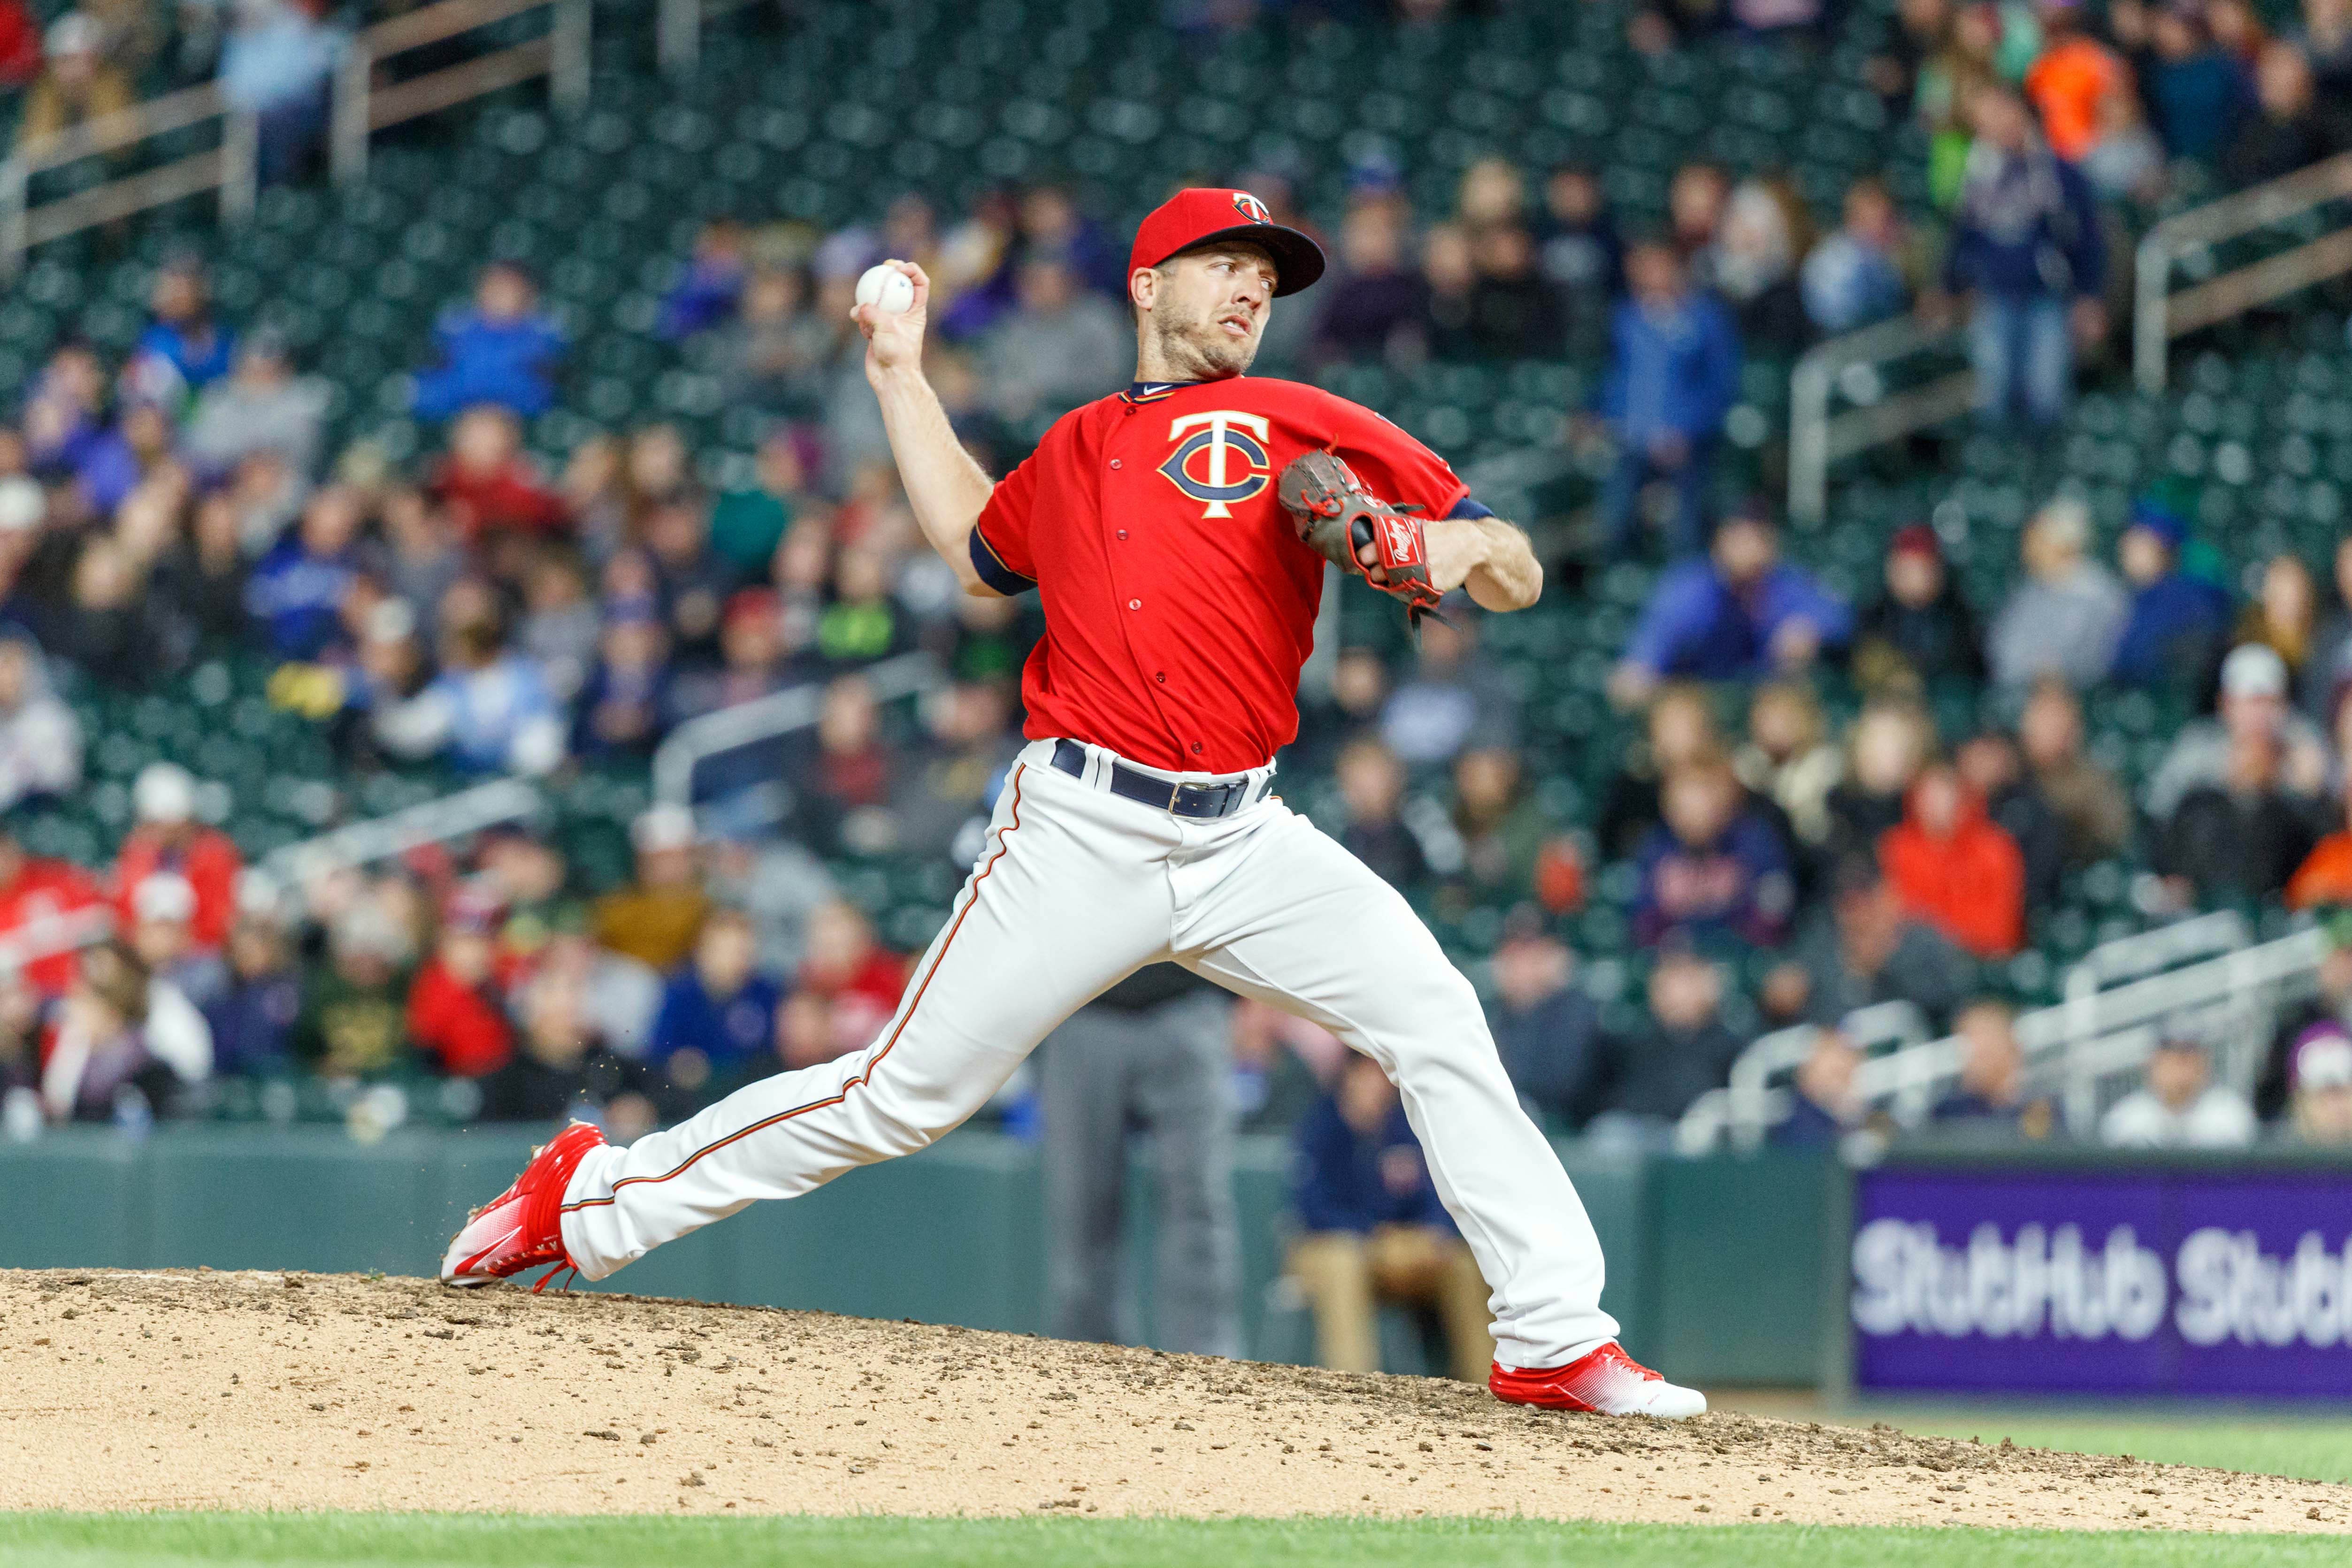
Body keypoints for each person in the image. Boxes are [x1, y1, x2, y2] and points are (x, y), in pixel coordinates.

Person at [446, 187, 1703, 1418]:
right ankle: (590, 1196)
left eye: (1268, 273)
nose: (1254, 284)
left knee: (1434, 1013)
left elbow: (1520, 567)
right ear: (1147, 285)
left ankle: (1551, 1334)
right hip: (1082, 828)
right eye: (1225, 260)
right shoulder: (1080, 444)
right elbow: (968, 545)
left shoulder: (1300, 415)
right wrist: (898, 371)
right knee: (899, 1094)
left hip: (1247, 834)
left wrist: (1451, 551)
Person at [1038, 966, 1239, 1357]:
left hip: (1189, 1000)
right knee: (1081, 1206)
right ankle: (1086, 1367)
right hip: (1081, 1004)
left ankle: (1210, 1370)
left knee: (1198, 1204)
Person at [1287, 1051, 1493, 1384]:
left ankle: (1487, 1385)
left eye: (1383, 1078)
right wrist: (1369, 1232)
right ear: (1350, 1077)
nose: (1377, 1087)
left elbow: (1437, 1193)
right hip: (1328, 1247)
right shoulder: (1320, 1125)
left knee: (1461, 1262)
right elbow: (1312, 1208)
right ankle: (1353, 1389)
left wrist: (1434, 1229)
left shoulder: (1405, 1126)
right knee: (1343, 1260)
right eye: (1368, 1076)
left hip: (1395, 1249)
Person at [1942, 84, 2106, 431]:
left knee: (2045, 399)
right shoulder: (1977, 176)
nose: (1995, 124)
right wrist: (1948, 286)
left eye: (2001, 113)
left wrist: (2089, 296)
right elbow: (1961, 238)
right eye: (1986, 118)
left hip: (2046, 298)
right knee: (1994, 400)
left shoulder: (2057, 173)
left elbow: (2087, 238)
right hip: (1994, 298)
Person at [1609, 507, 1852, 706]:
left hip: (1765, 702)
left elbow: (1840, 618)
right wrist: (1639, 673)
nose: (1748, 549)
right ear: (1719, 542)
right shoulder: (1689, 587)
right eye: (1739, 538)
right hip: (1704, 702)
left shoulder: (1785, 582)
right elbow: (1647, 653)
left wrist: (1810, 628)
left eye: (1757, 538)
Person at [1595, 240, 1741, 560]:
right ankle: (1619, 578)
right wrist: (1601, 415)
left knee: (1685, 531)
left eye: (1658, 266)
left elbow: (1720, 386)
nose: (1651, 276)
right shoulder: (1627, 319)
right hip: (1632, 440)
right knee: (1614, 519)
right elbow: (1614, 377)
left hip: (1691, 445)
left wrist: (1685, 431)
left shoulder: (1706, 319)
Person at [1768, 862, 1976, 1032]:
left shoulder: (1924, 941)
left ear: (1888, 896)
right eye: (1849, 905)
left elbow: (1948, 1005)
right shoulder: (1821, 947)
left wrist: (1886, 964)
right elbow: (1787, 998)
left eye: (1867, 900)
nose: (1860, 914)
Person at [2145, 642, 2328, 822]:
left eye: (2270, 703)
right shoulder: (2198, 748)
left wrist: (2311, 794)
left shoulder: (2303, 742)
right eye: (2251, 703)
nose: (2260, 716)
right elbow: (2159, 811)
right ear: (2226, 705)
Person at [1631, 754, 1795, 948]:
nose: (1696, 813)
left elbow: (1776, 917)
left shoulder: (1754, 840)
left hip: (1744, 958)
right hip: (1677, 961)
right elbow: (1640, 929)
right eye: (1684, 804)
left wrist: (1740, 894)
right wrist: (1665, 906)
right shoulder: (1656, 847)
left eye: (1703, 797)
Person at [1880, 761, 2028, 959]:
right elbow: (1896, 922)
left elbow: (2001, 928)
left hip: (1981, 964)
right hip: (1914, 966)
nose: (1938, 805)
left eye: (1946, 796)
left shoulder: (1996, 850)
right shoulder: (1895, 849)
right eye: (1929, 797)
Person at [1592, 948, 1745, 1127]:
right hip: (1636, 1130)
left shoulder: (1729, 1045)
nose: (1674, 993)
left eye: (1686, 983)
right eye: (1667, 984)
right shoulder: (1636, 1039)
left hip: (1694, 1135)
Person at [1987, 497, 2129, 688]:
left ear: (2065, 544)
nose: (2028, 549)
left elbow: (2098, 661)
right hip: (2023, 695)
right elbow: (2002, 651)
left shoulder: (2103, 595)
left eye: (2039, 540)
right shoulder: (2030, 592)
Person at [411, 262, 567, 421]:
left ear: (526, 294)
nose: (498, 297)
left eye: (507, 290)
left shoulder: (542, 336)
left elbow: (539, 394)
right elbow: (434, 389)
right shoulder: (455, 330)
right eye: (493, 288)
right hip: (459, 418)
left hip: (515, 420)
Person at [112, 763, 241, 953]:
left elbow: (220, 917)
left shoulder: (215, 853)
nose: (159, 833)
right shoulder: (137, 850)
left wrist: (182, 941)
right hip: (144, 949)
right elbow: (124, 910)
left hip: (200, 952)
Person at [1488, 927, 1607, 1132]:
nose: (1520, 968)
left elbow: (1564, 1087)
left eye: (1531, 958)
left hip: (1564, 1126)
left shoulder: (1576, 1011)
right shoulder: (1496, 1013)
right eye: (1512, 957)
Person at [2107, 502, 2233, 690]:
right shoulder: (2131, 596)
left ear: (2160, 549)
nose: (2125, 546)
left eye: (2138, 542)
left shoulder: (2188, 601)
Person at [1852, 523, 1985, 691]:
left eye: (1921, 569)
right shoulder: (1873, 615)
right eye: (1906, 570)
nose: (1914, 580)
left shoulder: (1960, 618)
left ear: (1937, 571)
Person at [2017, 676, 2134, 866]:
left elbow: (2111, 836)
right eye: (2044, 716)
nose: (2053, 727)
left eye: (2060, 716)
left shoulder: (2094, 782)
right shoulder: (2009, 774)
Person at [591, 804, 712, 973]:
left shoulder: (709, 908)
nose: (673, 866)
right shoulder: (615, 911)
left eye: (681, 856)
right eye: (663, 857)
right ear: (642, 861)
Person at [1800, 176, 1912, 336]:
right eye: (1882, 220)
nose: (1890, 227)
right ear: (1855, 219)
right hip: (1836, 342)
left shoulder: (1885, 258)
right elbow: (1838, 318)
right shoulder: (1836, 260)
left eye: (1890, 219)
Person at [2099, 1036, 2257, 1147]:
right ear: (2153, 1065)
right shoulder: (2127, 1119)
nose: (2180, 1072)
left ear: (2204, 1065)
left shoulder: (2230, 1115)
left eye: (2188, 1060)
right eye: (2171, 1060)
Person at [1929, 998, 2053, 1138]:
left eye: (1987, 1039)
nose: (1978, 1049)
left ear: (2011, 1045)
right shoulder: (1949, 1112)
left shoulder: (2041, 1108)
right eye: (1970, 1039)